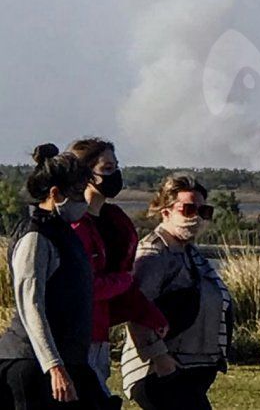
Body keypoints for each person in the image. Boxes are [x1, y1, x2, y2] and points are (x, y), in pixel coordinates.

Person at [0, 144, 105, 409]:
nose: (84, 199)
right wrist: (53, 366)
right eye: (79, 193)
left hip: (69, 361)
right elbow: (31, 306)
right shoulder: (36, 238)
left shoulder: (65, 233)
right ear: (55, 194)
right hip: (32, 365)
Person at [67, 138, 168, 408]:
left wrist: (149, 315)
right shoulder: (74, 226)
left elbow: (123, 284)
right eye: (108, 168)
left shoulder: (116, 222)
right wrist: (123, 282)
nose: (115, 175)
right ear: (85, 174)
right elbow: (87, 285)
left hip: (99, 332)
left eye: (116, 167)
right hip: (74, 333)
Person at [121, 173, 232, 410]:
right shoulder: (154, 254)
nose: (197, 218)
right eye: (189, 209)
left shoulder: (189, 253)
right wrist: (159, 357)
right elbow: (137, 307)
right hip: (160, 371)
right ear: (166, 211)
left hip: (191, 369)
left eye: (204, 211)